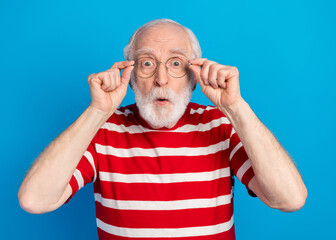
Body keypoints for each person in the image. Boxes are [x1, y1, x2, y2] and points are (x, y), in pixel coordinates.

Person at [18, 19, 307, 239]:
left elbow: (289, 199)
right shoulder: (101, 130)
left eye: (176, 64)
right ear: (130, 78)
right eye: (146, 63)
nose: (161, 79)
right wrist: (96, 112)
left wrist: (236, 107)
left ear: (194, 76)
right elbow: (35, 200)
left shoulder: (221, 125)